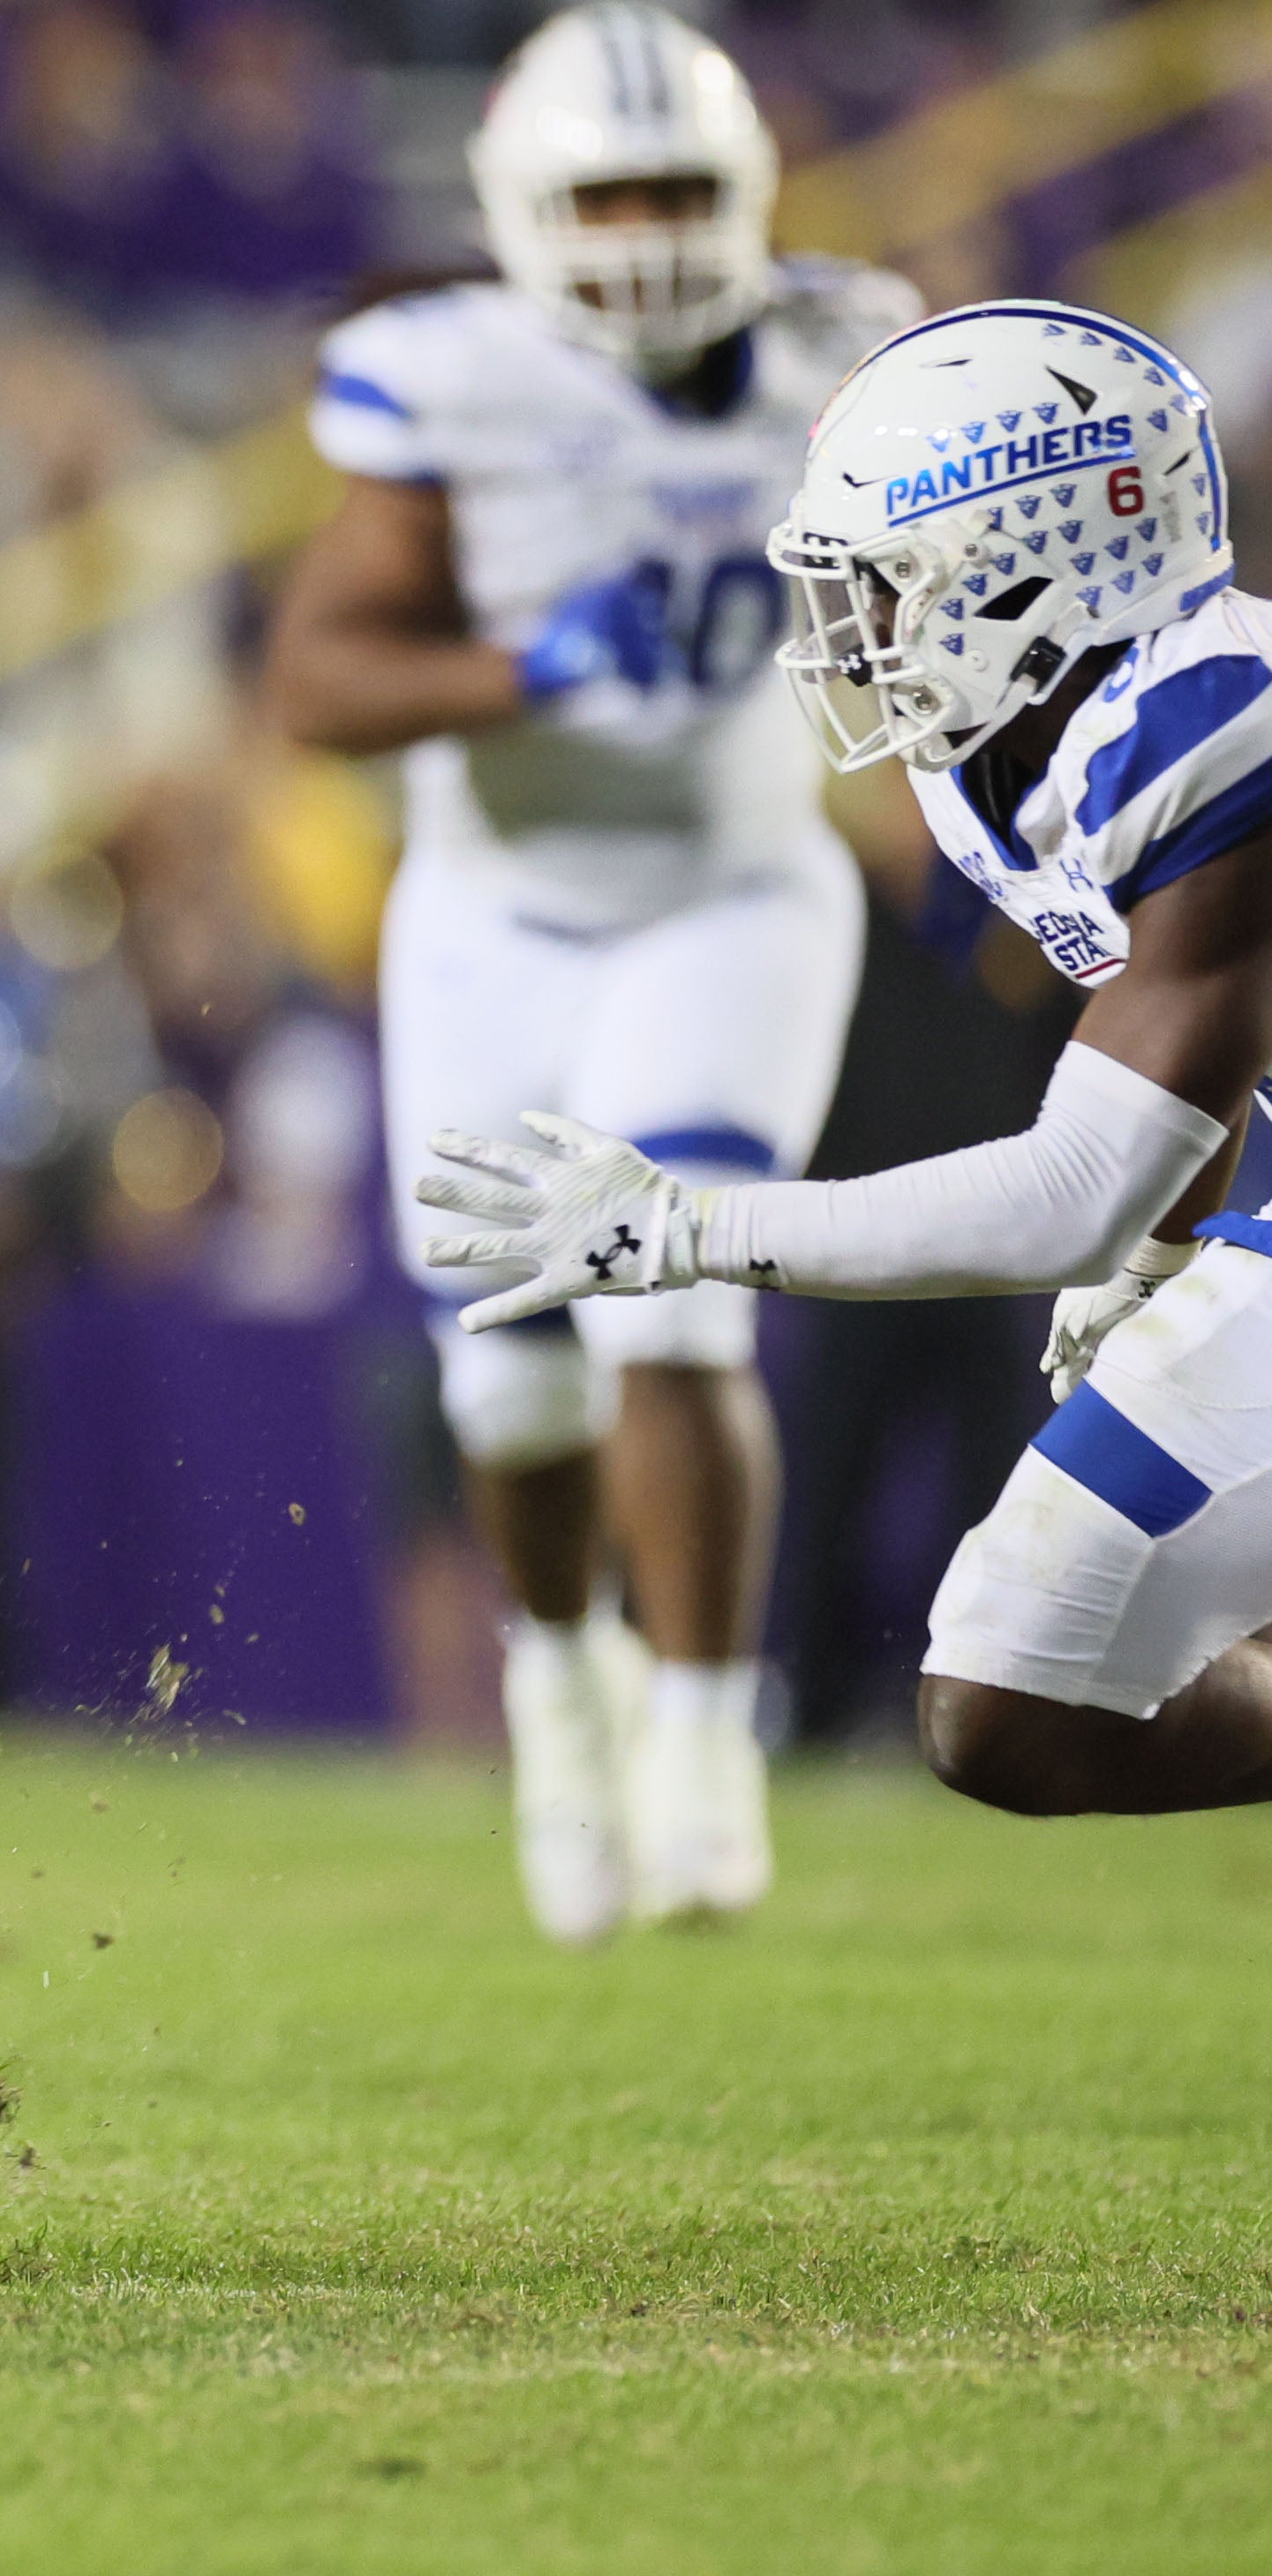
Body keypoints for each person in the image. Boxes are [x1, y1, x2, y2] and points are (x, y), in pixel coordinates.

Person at [418, 298, 1272, 1822]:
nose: (854, 628)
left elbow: (1069, 1180)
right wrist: (1153, 1259)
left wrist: (686, 1228)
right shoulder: (1036, 743)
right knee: (1014, 1693)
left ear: (1035, 565)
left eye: (890, 582)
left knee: (1013, 1690)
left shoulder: (1208, 732)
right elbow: (1201, 1039)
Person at [263, 4, 919, 1942]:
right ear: (518, 207)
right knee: (515, 1385)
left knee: (676, 1307)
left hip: (737, 890)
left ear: (752, 196)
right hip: (495, 912)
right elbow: (318, 681)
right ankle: (563, 1685)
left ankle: (709, 1733)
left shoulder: (845, 345)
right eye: (603, 192)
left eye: (677, 191)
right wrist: (524, 670)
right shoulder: (442, 375)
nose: (640, 231)